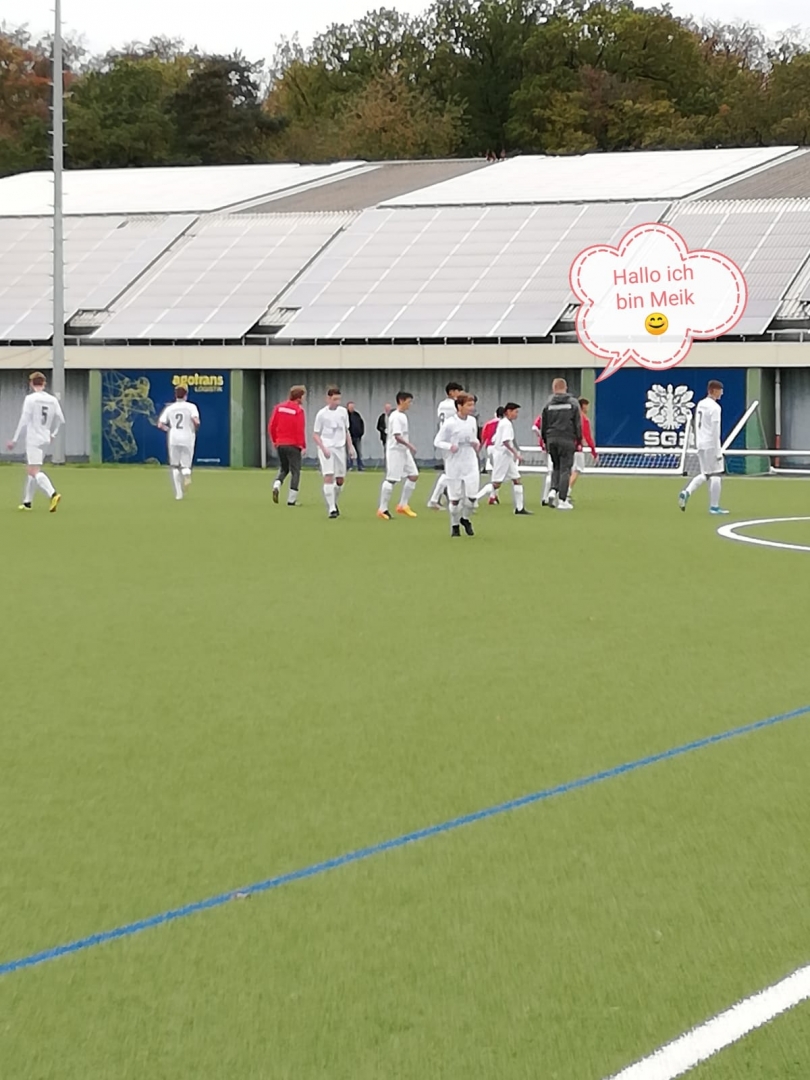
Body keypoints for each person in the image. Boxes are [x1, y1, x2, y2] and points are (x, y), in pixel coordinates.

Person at [6, 370, 64, 512]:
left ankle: (53, 494)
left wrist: (14, 439)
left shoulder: (30, 399)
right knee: (33, 469)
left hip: (33, 439)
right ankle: (27, 502)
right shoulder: (52, 400)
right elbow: (61, 420)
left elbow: (24, 420)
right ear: (44, 383)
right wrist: (53, 434)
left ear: (31, 383)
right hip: (45, 439)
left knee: (33, 470)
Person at [679, 380, 729, 515]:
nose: (722, 393)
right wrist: (718, 451)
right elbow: (715, 431)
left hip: (701, 444)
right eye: (720, 390)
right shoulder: (715, 408)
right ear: (714, 391)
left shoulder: (701, 404)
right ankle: (714, 507)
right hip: (711, 445)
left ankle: (687, 492)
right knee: (716, 474)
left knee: (706, 474)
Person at [434, 392, 480, 538]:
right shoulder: (450, 423)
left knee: (472, 497)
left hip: (470, 460)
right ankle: (454, 525)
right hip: (454, 462)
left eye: (472, 405)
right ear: (459, 406)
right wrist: (449, 446)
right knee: (455, 499)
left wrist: (476, 443)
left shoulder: (472, 421)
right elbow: (437, 441)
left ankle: (465, 519)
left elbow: (474, 438)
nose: (471, 408)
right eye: (469, 405)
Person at [477, 403, 532, 514]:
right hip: (502, 456)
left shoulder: (503, 423)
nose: (517, 414)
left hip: (506, 456)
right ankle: (473, 499)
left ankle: (519, 508)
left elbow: (496, 438)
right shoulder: (506, 424)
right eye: (515, 412)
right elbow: (505, 441)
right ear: (509, 412)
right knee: (496, 483)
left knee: (517, 480)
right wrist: (516, 454)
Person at [313, 387, 356, 518]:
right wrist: (323, 448)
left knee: (340, 480)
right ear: (328, 399)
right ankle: (331, 508)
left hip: (339, 448)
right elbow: (315, 434)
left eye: (338, 399)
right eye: (334, 399)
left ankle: (333, 501)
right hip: (327, 447)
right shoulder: (321, 414)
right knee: (328, 476)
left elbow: (346, 431)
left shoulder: (343, 412)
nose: (337, 402)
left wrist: (351, 447)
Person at [540, 378, 582, 511]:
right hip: (567, 439)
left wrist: (545, 440)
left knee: (556, 467)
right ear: (566, 388)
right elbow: (577, 423)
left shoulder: (548, 405)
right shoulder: (573, 403)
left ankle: (553, 490)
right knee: (565, 469)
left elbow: (543, 425)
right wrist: (579, 440)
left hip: (551, 439)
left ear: (553, 389)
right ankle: (562, 500)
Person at [377, 392, 419, 520]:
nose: (410, 404)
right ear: (401, 401)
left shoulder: (403, 416)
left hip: (403, 451)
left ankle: (403, 505)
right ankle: (382, 509)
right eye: (408, 401)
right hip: (395, 451)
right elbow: (397, 436)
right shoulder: (395, 417)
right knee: (391, 479)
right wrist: (410, 445)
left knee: (413, 475)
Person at [158, 385, 200, 500]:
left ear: (175, 395)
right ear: (186, 395)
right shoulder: (191, 407)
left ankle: (178, 494)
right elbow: (196, 421)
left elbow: (160, 424)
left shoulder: (170, 408)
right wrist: (195, 428)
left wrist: (169, 430)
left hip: (174, 438)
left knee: (175, 466)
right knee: (186, 465)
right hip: (187, 437)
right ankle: (186, 474)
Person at [427, 381, 465, 510]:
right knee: (450, 472)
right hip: (450, 441)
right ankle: (434, 499)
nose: (460, 394)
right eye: (458, 391)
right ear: (451, 392)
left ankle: (449, 495)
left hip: (444, 440)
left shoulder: (441, 405)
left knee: (453, 471)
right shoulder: (453, 406)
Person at [269, 385, 306, 506]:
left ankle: (277, 484)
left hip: (280, 443)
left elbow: (272, 426)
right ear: (299, 397)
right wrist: (302, 445)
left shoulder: (279, 408)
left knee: (284, 468)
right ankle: (292, 499)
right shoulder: (298, 411)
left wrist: (275, 441)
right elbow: (300, 429)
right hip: (293, 444)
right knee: (296, 471)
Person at [566, 397, 598, 503]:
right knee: (577, 470)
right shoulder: (584, 419)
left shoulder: (570, 417)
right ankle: (566, 493)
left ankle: (560, 491)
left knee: (568, 470)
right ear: (583, 406)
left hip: (567, 446)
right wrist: (594, 453)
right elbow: (588, 437)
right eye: (587, 406)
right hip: (577, 448)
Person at [347, 402, 365, 471]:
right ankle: (349, 465)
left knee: (358, 452)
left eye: (352, 407)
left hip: (357, 437)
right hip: (348, 437)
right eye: (350, 407)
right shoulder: (346, 415)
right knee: (349, 452)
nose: (352, 408)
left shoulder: (357, 415)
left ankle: (360, 466)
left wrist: (361, 433)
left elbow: (361, 424)